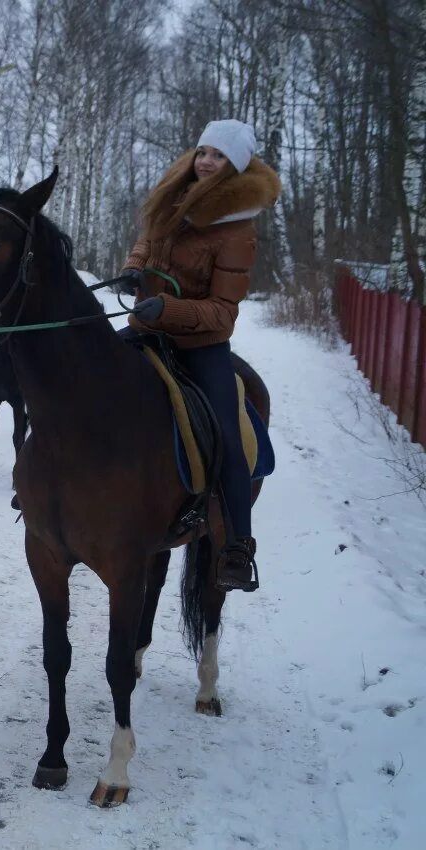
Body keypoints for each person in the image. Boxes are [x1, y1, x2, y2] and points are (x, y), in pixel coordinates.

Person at [119, 118, 281, 591]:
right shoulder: (173, 195)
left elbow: (222, 313)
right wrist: (133, 269)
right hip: (147, 327)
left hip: (200, 346)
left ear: (235, 167)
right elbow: (148, 239)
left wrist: (168, 309)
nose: (207, 162)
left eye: (219, 157)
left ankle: (237, 548)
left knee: (230, 438)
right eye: (203, 151)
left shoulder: (238, 229)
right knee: (84, 376)